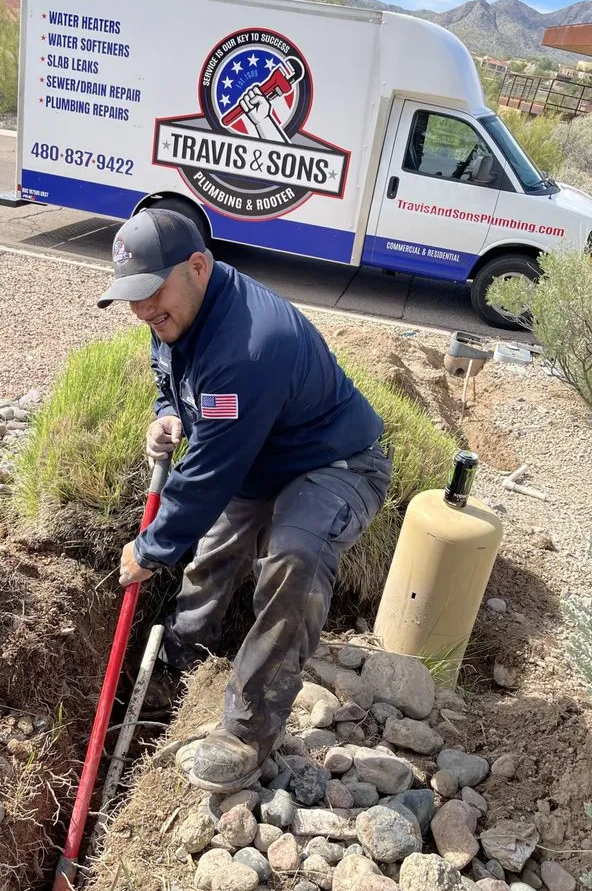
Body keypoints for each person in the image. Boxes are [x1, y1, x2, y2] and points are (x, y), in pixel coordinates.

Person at [97, 208, 392, 793]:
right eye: (132, 299)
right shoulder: (178, 313)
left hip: (332, 463)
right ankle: (182, 662)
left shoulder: (249, 347)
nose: (143, 311)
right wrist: (168, 413)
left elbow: (208, 474)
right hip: (261, 455)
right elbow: (171, 368)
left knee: (293, 560)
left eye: (151, 293)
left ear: (198, 267)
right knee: (213, 553)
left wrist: (149, 550)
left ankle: (247, 731)